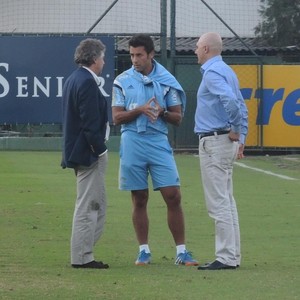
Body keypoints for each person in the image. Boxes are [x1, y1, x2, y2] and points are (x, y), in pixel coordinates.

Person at [112, 34, 198, 266]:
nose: (135, 59)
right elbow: (117, 117)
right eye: (131, 55)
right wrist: (140, 110)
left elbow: (178, 118)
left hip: (158, 141)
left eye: (139, 55)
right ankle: (143, 251)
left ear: (151, 54)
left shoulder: (167, 80)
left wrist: (161, 113)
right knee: (139, 198)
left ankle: (181, 251)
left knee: (173, 195)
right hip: (132, 141)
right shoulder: (122, 80)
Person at [194, 32, 248, 270]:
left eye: (197, 47)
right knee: (227, 200)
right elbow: (240, 104)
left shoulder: (212, 72)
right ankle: (232, 255)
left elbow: (232, 103)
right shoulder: (227, 70)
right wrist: (240, 135)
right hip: (224, 141)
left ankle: (225, 257)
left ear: (206, 48)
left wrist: (236, 129)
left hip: (215, 141)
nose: (195, 50)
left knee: (218, 202)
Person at [61, 38, 110, 269]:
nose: (104, 61)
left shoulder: (74, 79)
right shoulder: (87, 82)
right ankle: (82, 257)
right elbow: (90, 123)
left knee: (96, 203)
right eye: (102, 57)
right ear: (93, 59)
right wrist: (100, 150)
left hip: (80, 151)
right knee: (88, 205)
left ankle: (85, 253)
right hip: (88, 153)